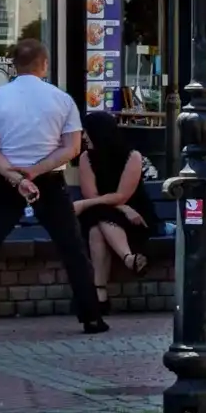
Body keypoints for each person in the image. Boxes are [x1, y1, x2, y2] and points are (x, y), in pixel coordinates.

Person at [0, 34, 110, 337]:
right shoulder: (61, 99)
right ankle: (91, 317)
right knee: (73, 249)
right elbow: (72, 148)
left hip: (6, 181)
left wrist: (16, 177)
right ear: (44, 64)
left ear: (14, 65)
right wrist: (34, 171)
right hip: (49, 181)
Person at [72, 120, 154, 297]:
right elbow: (91, 195)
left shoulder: (132, 156)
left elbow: (122, 195)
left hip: (135, 214)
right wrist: (122, 207)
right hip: (102, 211)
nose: (84, 137)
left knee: (97, 224)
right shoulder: (86, 158)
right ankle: (128, 258)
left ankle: (99, 295)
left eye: (86, 132)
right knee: (97, 224)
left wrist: (84, 204)